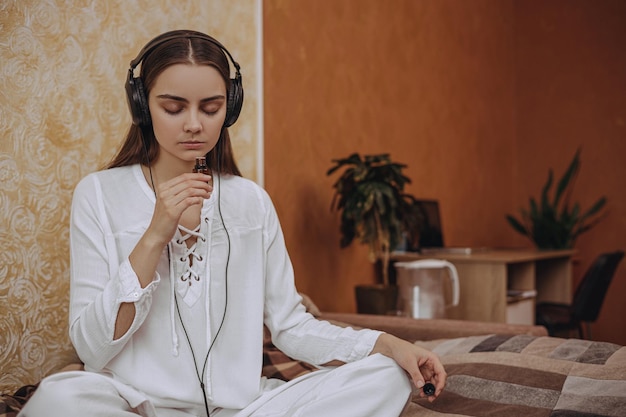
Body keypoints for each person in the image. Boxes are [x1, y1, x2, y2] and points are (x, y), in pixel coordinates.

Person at [19, 30, 446, 417]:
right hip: (138, 408)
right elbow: (92, 350)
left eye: (211, 107)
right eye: (173, 107)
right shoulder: (98, 194)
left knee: (385, 376)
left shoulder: (251, 202)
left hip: (243, 410)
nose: (193, 124)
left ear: (231, 107)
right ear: (142, 106)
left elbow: (291, 327)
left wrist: (389, 345)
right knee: (59, 398)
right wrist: (155, 234)